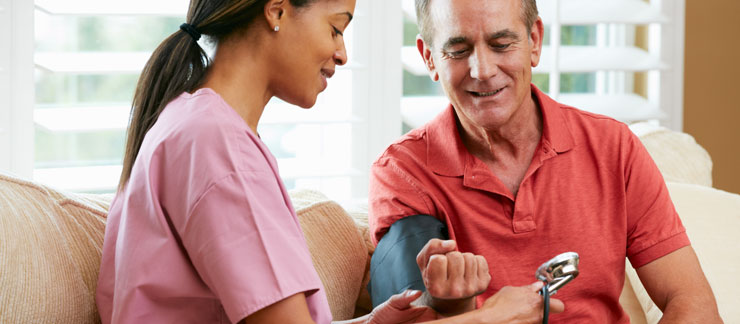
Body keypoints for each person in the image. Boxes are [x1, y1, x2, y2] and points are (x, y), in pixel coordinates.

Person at [95, 0, 563, 323]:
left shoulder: (196, 125)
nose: (341, 52)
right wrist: (489, 317)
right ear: (277, 10)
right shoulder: (214, 145)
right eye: (336, 27)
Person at [367, 0, 723, 323]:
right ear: (429, 57)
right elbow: (413, 319)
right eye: (458, 50)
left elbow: (693, 303)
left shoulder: (613, 147)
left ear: (534, 41)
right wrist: (452, 303)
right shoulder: (403, 173)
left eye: (501, 44)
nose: (483, 70)